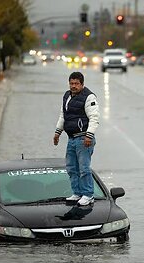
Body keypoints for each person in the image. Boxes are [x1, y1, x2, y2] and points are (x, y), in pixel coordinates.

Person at [53, 71, 100, 206]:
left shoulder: (89, 97)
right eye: (71, 83)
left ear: (82, 84)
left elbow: (94, 118)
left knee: (84, 168)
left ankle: (88, 194)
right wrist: (58, 132)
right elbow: (63, 115)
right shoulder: (67, 96)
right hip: (71, 138)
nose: (73, 86)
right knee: (71, 167)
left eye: (76, 84)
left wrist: (88, 135)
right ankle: (77, 192)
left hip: (83, 139)